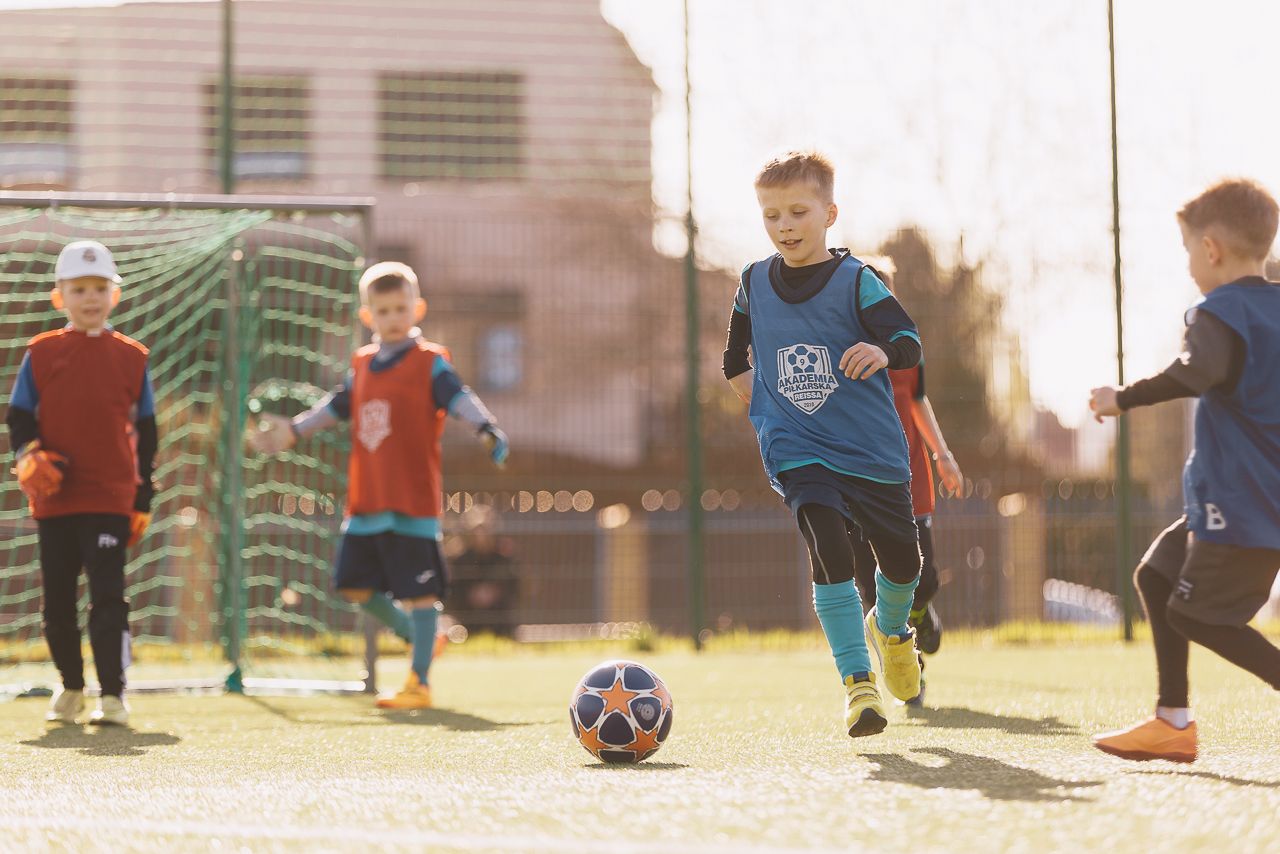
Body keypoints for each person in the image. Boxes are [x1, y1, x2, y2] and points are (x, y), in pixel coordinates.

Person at [722, 151, 924, 738]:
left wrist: (881, 350)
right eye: (771, 215)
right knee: (829, 548)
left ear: (829, 214)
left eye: (798, 212)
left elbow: (908, 340)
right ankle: (859, 686)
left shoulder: (857, 281)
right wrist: (761, 403)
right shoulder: (753, 281)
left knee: (904, 562)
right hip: (797, 445)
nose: (784, 226)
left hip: (870, 449)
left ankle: (892, 631)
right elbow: (735, 354)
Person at [250, 261, 509, 709]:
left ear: (417, 309)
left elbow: (459, 397)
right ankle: (420, 636)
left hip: (412, 502)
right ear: (368, 316)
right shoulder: (362, 364)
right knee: (352, 584)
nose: (393, 318)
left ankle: (419, 682)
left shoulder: (430, 363)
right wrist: (294, 430)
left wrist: (485, 427)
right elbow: (337, 406)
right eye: (383, 311)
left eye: (400, 309)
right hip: (367, 502)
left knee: (421, 593)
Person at [1089, 178, 1280, 763]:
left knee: (1196, 614)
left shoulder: (1219, 312)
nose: (1189, 262)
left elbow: (1195, 372)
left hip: (1241, 508)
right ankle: (1172, 722)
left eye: (1188, 249)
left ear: (1212, 248)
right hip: (1242, 503)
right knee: (1157, 575)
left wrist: (1121, 399)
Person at [5, 240, 157, 726]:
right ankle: (71, 685)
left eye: (98, 288)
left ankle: (112, 695)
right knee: (57, 603)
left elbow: (148, 430)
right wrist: (28, 456)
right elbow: (19, 416)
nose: (90, 297)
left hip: (111, 497)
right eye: (78, 289)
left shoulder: (132, 357)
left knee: (108, 596)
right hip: (56, 500)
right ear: (60, 297)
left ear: (115, 295)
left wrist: (143, 495)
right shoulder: (41, 353)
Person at [849, 257, 964, 706]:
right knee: (871, 589)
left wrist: (942, 455)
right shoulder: (842, 350)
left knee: (924, 578)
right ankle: (909, 672)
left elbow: (918, 400)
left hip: (910, 477)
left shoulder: (907, 349)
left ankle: (921, 611)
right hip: (859, 483)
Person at [447, 506, 519, 638]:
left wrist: (494, 591)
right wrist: (472, 593)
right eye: (477, 531)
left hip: (498, 617)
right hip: (468, 617)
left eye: (485, 530)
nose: (481, 536)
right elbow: (453, 590)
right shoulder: (461, 558)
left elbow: (514, 585)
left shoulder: (503, 557)